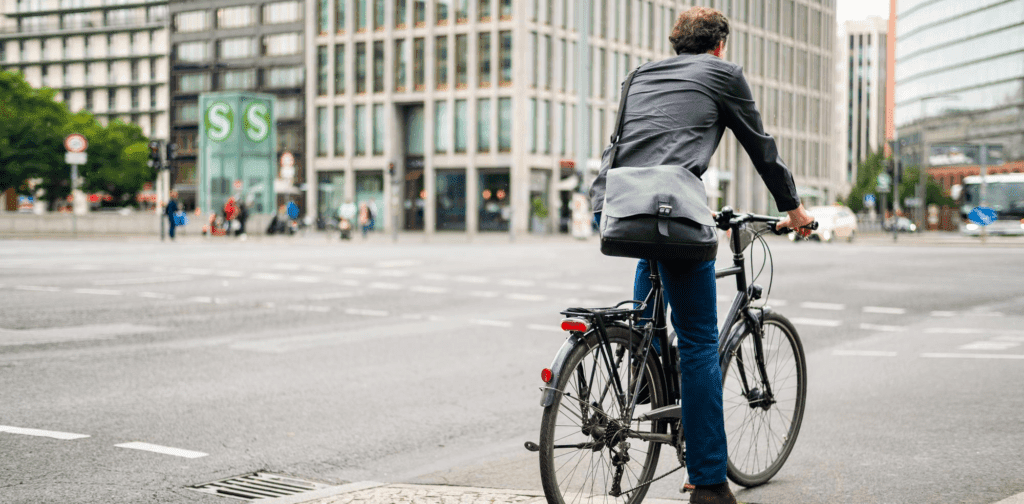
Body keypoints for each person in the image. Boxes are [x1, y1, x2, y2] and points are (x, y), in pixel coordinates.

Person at [588, 7, 813, 504]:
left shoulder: (638, 75)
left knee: (652, 284)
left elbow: (631, 147)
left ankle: (644, 373)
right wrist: (794, 210)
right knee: (698, 342)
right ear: (719, 45)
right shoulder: (723, 74)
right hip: (671, 211)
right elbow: (761, 147)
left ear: (677, 44)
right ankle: (708, 481)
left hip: (624, 209)